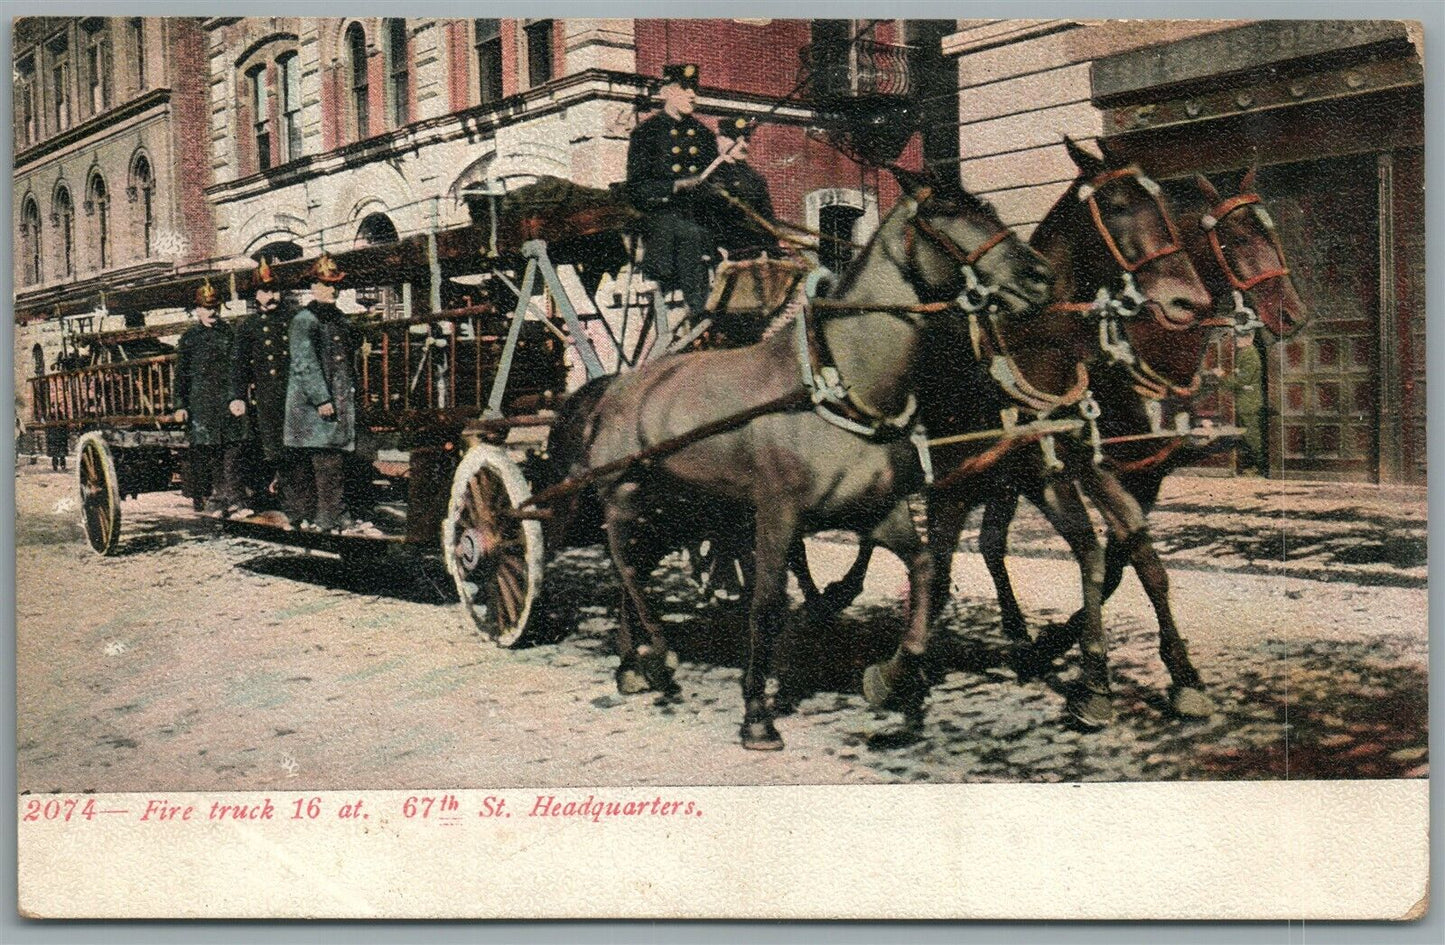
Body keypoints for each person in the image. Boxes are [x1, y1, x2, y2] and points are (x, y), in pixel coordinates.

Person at [624, 63, 719, 316]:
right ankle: (700, 311)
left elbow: (713, 185)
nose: (692, 95)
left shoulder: (704, 135)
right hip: (660, 221)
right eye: (684, 88)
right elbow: (636, 189)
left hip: (698, 217)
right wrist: (675, 185)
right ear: (666, 92)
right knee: (690, 235)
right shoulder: (646, 134)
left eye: (694, 89)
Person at [283, 253, 361, 534]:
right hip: (311, 406)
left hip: (335, 400)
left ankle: (329, 516)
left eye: (335, 285)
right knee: (325, 462)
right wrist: (322, 398)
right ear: (313, 287)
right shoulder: (305, 320)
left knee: (331, 461)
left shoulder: (337, 318)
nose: (331, 290)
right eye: (325, 284)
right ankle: (329, 516)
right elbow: (304, 363)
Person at [229, 256, 300, 521]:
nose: (269, 296)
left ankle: (296, 506)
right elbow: (238, 365)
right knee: (273, 450)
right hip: (267, 397)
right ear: (255, 295)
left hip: (294, 395)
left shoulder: (294, 320)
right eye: (264, 291)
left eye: (273, 291)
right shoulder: (248, 327)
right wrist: (237, 396)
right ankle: (271, 496)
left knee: (295, 450)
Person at [174, 279, 248, 515]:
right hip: (202, 403)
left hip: (228, 401)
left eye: (214, 307)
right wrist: (180, 405)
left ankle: (235, 498)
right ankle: (218, 497)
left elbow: (238, 368)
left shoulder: (229, 333)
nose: (211, 312)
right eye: (206, 308)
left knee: (233, 448)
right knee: (213, 450)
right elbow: (181, 376)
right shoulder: (189, 338)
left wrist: (238, 397)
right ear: (197, 309)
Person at [701, 116, 780, 260]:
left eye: (747, 140)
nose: (745, 145)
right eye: (739, 140)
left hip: (750, 253)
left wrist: (773, 254)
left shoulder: (755, 179)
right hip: (716, 253)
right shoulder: (708, 173)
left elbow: (767, 220)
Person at [1213, 330, 1265, 475]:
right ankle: (1254, 467)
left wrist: (1222, 375)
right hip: (1244, 401)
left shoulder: (1250, 355)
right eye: (1238, 337)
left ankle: (1261, 468)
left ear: (1251, 338)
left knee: (1252, 437)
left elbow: (1242, 381)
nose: (1238, 340)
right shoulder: (1244, 352)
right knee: (1248, 436)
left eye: (1243, 337)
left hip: (1249, 403)